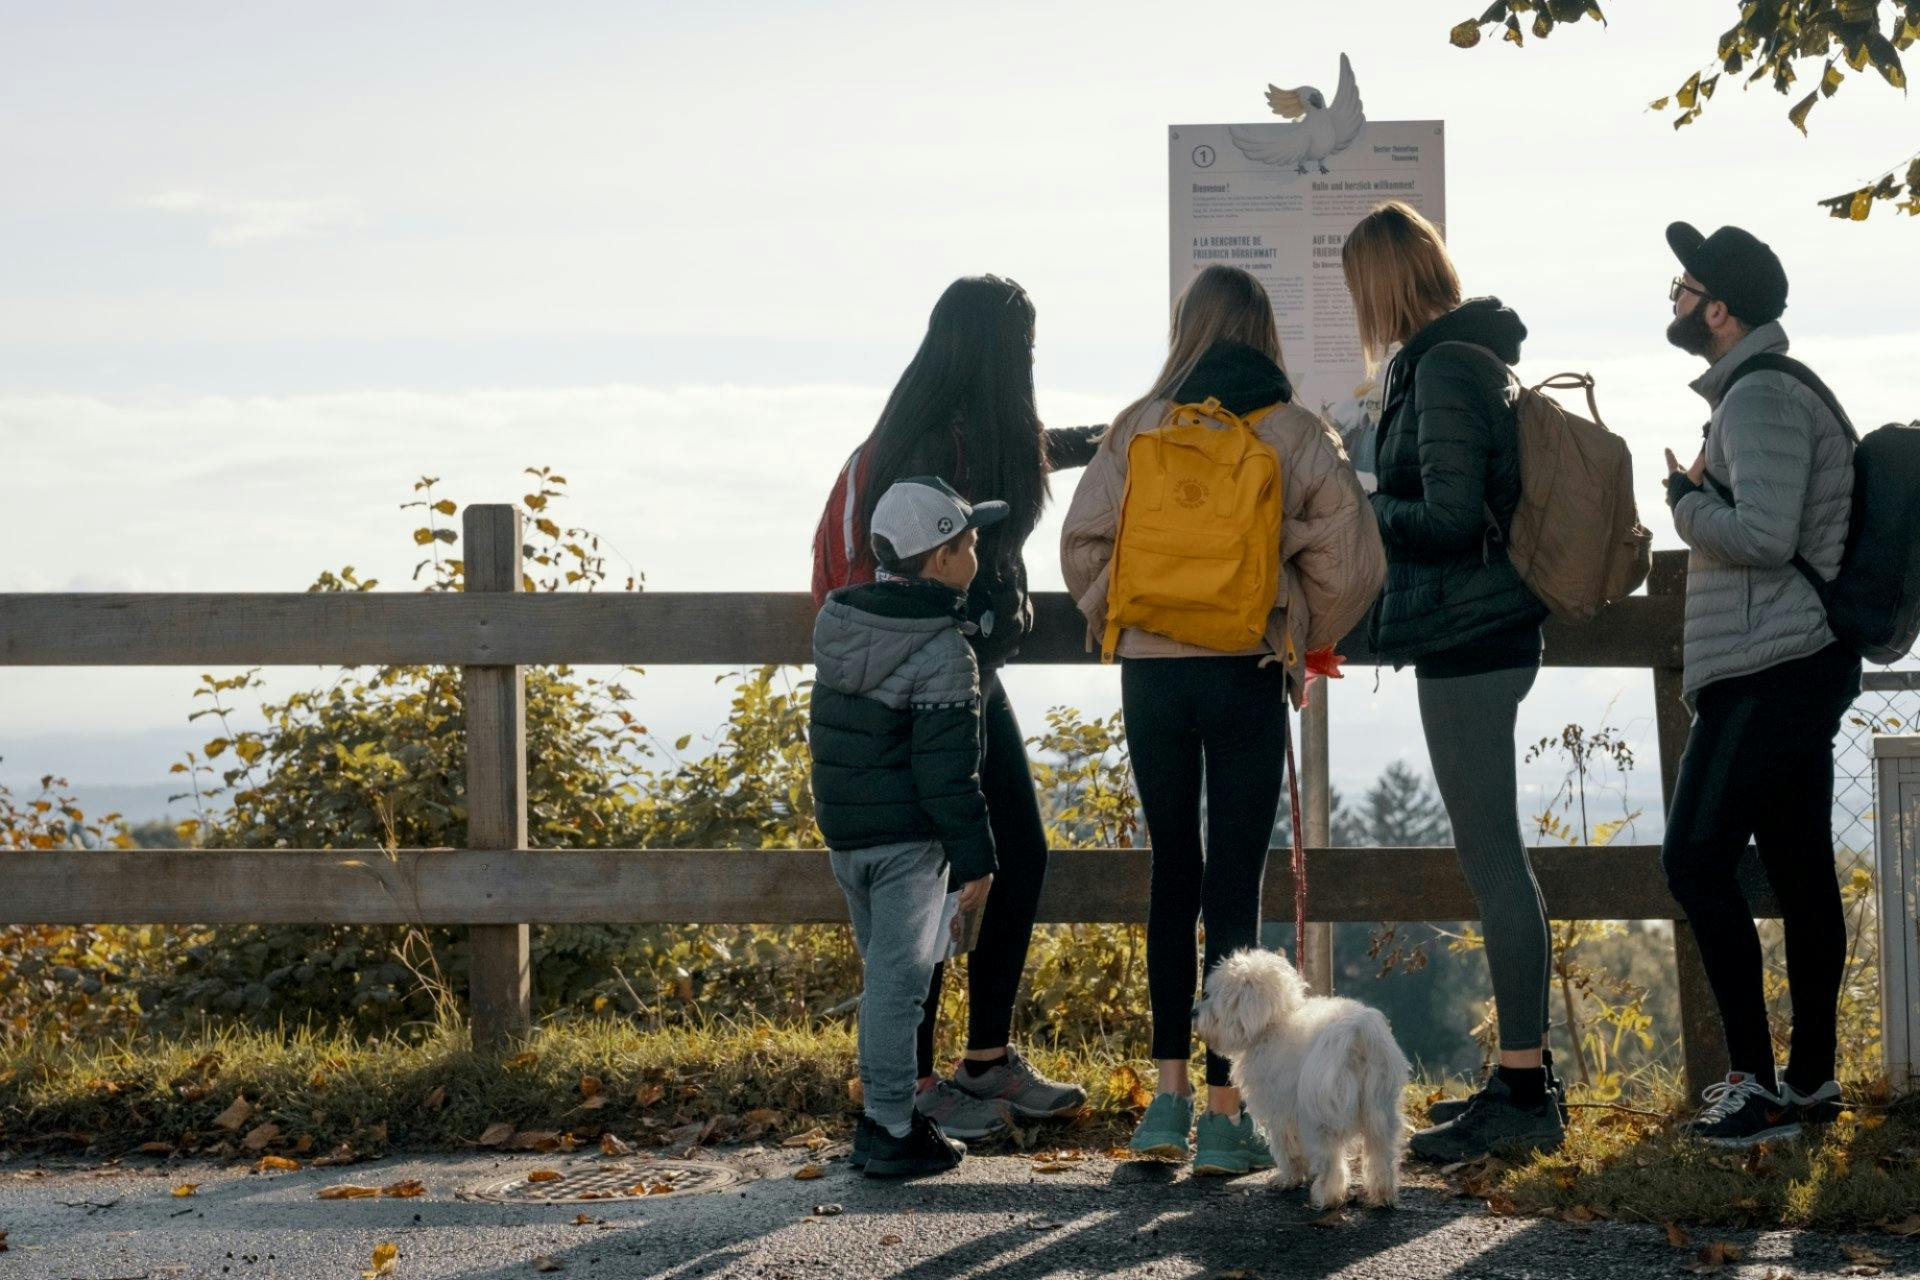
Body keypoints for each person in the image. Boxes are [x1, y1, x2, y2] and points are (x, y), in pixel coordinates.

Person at [1059, 264, 1384, 1174]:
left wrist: (1121, 620)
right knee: (1233, 884)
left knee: (1173, 872)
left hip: (1153, 676)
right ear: (1263, 331)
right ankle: (1225, 1113)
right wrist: (1292, 629)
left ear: (1187, 329)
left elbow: (1083, 543)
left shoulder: (1139, 427)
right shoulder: (1294, 432)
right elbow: (1354, 562)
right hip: (1244, 670)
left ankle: (1162, 1108)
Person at [809, 275, 1097, 1139]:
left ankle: (972, 1063)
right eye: (1029, 348)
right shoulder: (946, 441)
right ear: (1004, 354)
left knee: (997, 856)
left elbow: (1040, 447)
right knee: (945, 864)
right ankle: (933, 1076)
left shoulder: (935, 426)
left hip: (952, 671)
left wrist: (1120, 431)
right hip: (935, 677)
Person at [1341, 201, 1563, 1162]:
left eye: (1359, 288)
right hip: (1483, 633)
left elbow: (1445, 515)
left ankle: (1522, 1091)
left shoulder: (1438, 370)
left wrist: (1361, 499)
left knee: (1492, 860)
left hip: (1472, 639)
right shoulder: (1468, 360)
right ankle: (1520, 1081)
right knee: (1494, 857)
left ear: (1385, 282)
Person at [1658, 221, 1860, 1148]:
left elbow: (1769, 539)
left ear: (1722, 309)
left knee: (1694, 860)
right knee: (1796, 870)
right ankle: (1810, 1083)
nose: (1675, 298)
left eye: (1685, 286)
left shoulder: (1759, 398)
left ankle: (1756, 1082)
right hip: (1789, 661)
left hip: (1769, 667)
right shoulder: (1761, 391)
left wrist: (1686, 504)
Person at [810, 476, 1004, 1177]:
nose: (977, 552)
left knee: (884, 977)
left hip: (850, 838)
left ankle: (880, 1122)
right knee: (901, 982)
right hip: (908, 847)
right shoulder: (943, 649)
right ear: (943, 557)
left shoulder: (844, 625)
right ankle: (891, 1128)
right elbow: (947, 773)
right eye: (971, 541)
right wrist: (974, 856)